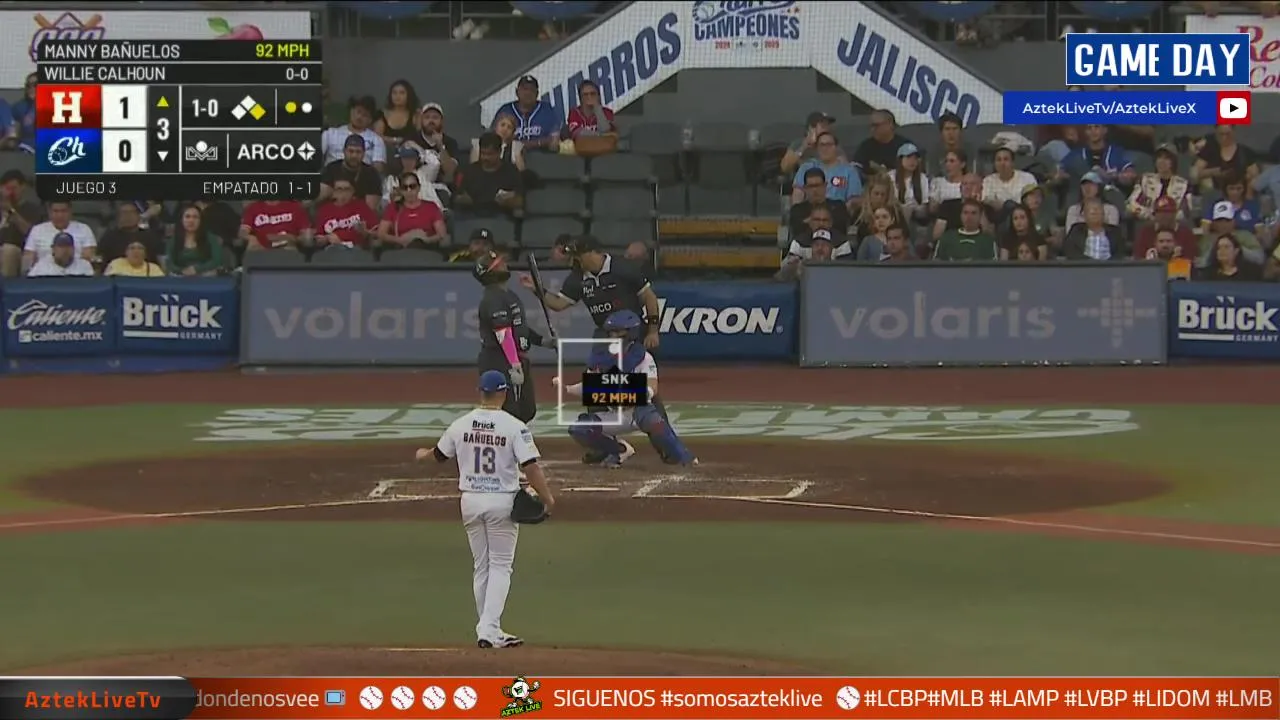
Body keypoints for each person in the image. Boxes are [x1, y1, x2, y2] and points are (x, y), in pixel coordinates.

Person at [415, 370, 555, 650]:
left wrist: (422, 454)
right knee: (501, 566)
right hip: (501, 501)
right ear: (503, 393)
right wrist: (547, 498)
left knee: (482, 566)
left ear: (481, 392)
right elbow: (530, 467)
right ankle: (489, 629)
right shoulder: (514, 426)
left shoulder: (461, 424)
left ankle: (488, 629)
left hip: (470, 501)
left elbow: (438, 456)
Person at [556, 310, 698, 468]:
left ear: (630, 333)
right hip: (615, 414)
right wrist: (567, 389)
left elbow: (652, 386)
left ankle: (683, 456)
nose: (613, 336)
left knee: (655, 422)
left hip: (639, 411)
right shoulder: (601, 357)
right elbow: (589, 387)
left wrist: (635, 393)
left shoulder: (643, 357)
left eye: (618, 332)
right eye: (611, 332)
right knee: (580, 429)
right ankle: (620, 450)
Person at [475, 249, 557, 423]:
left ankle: (514, 436)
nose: (505, 265)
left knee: (526, 410)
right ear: (490, 273)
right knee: (508, 410)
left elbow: (519, 327)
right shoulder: (493, 299)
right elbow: (503, 334)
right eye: (499, 265)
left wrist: (543, 341)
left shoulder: (508, 295)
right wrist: (514, 364)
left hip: (517, 358)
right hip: (499, 360)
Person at [166, 205, 225, 276]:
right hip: (181, 275)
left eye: (195, 217)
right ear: (181, 220)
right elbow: (169, 263)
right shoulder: (173, 240)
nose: (191, 220)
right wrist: (182, 271)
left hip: (205, 274)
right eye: (187, 217)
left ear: (201, 221)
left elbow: (217, 260)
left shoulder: (211, 238)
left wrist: (197, 269)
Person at [27, 232, 94, 277]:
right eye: (61, 246)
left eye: (68, 246)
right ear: (53, 249)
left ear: (74, 249)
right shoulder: (41, 267)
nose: (65, 250)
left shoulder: (84, 266)